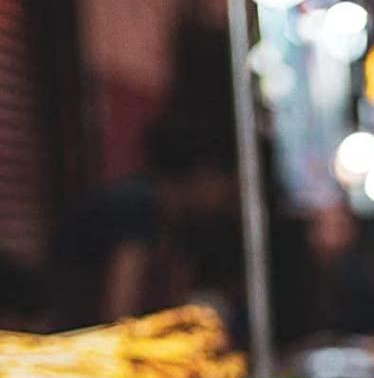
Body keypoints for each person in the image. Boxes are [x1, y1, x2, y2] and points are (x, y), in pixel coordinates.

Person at [55, 113, 238, 326]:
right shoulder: (137, 205)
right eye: (226, 181)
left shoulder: (174, 218)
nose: (227, 195)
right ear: (204, 172)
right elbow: (118, 314)